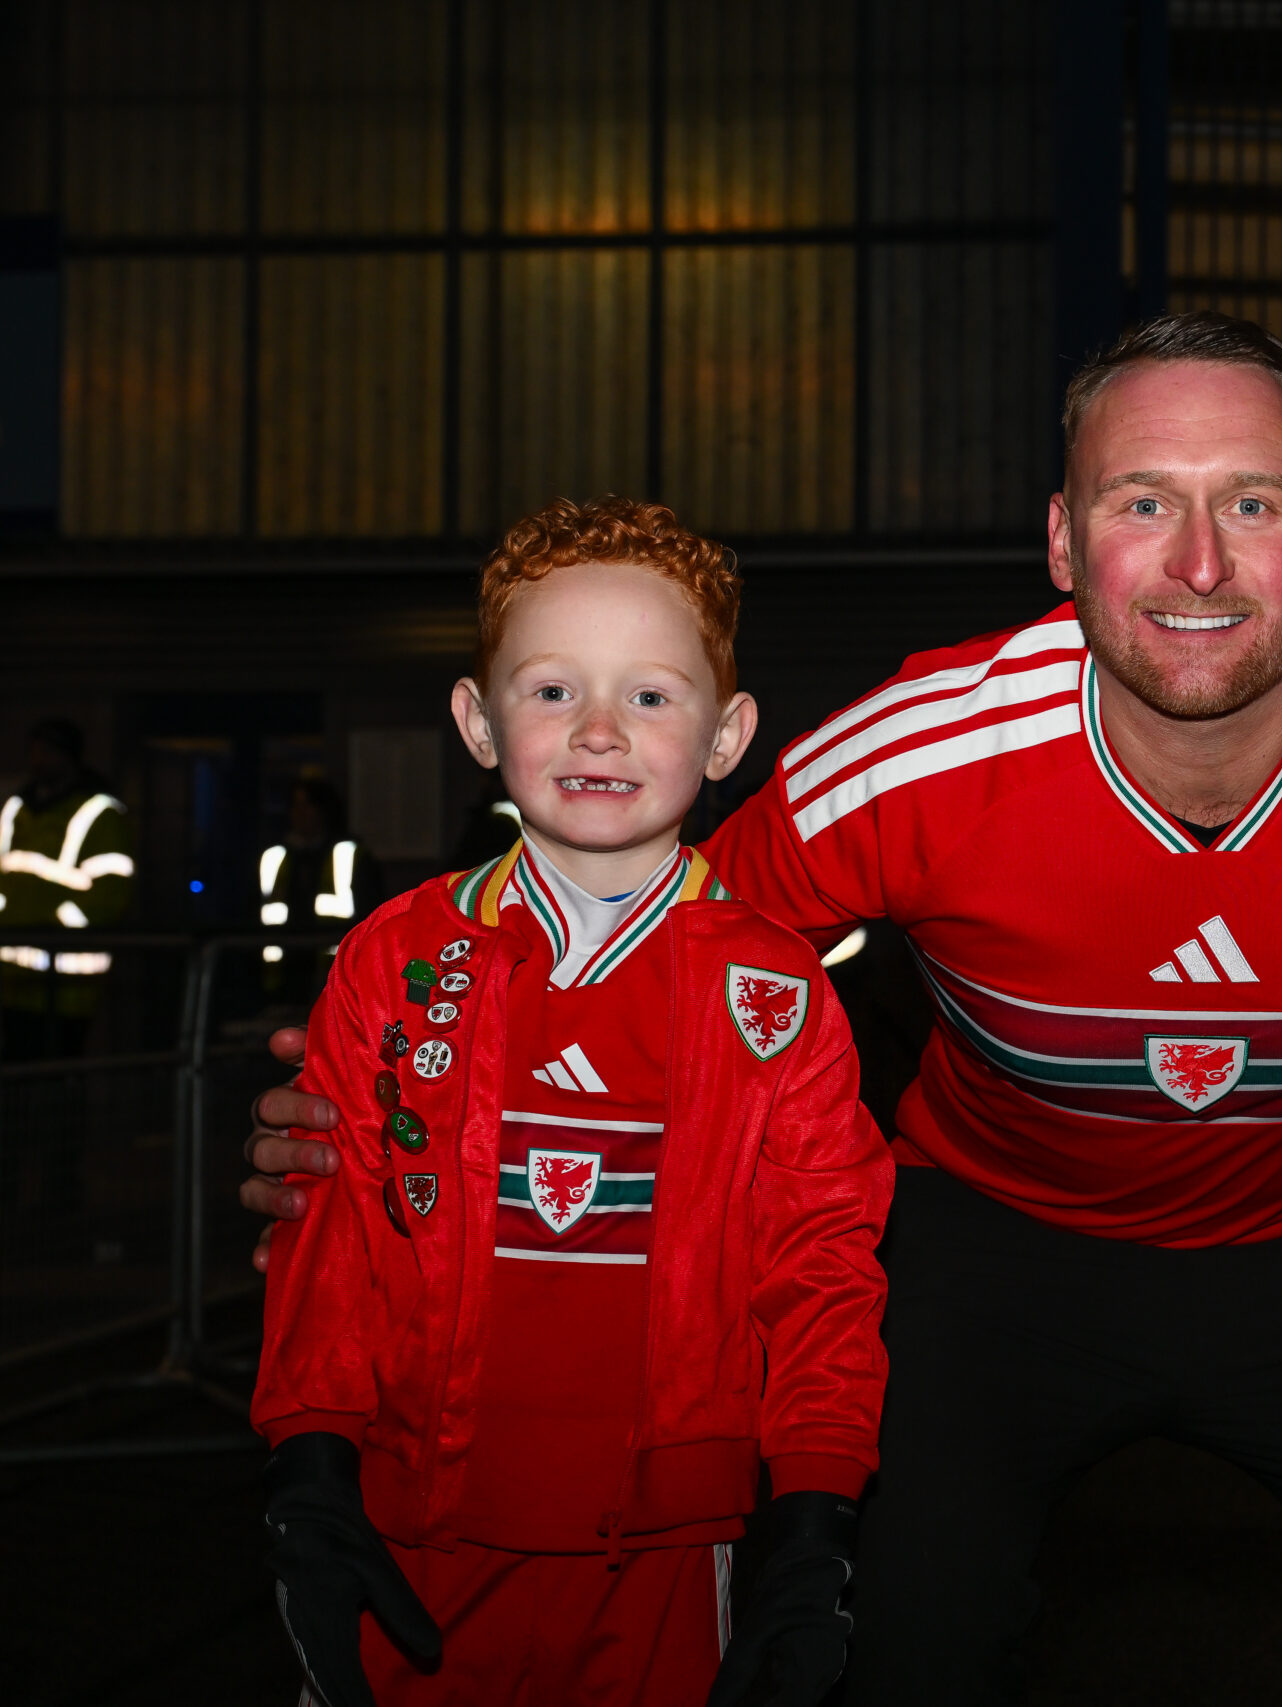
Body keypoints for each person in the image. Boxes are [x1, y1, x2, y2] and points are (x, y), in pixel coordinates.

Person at [250, 312, 1282, 1705]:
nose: (1197, 561)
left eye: (1252, 499)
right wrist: (401, 1102)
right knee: (875, 1636)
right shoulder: (919, 749)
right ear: (1062, 543)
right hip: (993, 1239)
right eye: (1141, 500)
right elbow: (649, 953)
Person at [250, 497, 892, 1707]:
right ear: (477, 721)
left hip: (659, 1548)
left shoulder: (776, 988)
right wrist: (310, 1468)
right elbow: (332, 1228)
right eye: (551, 691)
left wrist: (812, 1526)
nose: (599, 730)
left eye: (651, 695)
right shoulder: (398, 955)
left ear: (727, 733)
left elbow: (821, 1265)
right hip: (407, 1522)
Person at [0, 718, 134, 1054]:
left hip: (68, 986)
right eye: (34, 751)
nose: (38, 760)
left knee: (57, 1077)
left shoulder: (99, 812)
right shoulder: (17, 808)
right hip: (11, 980)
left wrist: (59, 926)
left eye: (48, 751)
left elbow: (110, 890)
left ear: (69, 756)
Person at [258, 775, 386, 999]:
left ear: (324, 810)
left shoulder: (350, 855)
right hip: (282, 976)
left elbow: (371, 910)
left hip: (336, 978)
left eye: (308, 805)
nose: (301, 813)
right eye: (296, 805)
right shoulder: (274, 856)